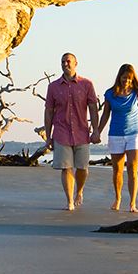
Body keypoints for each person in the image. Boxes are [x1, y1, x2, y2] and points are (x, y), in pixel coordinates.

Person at [97, 62, 138, 213]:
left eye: (129, 78)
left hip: (134, 134)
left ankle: (133, 203)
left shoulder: (136, 94)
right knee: (117, 170)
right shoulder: (110, 93)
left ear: (133, 79)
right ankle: (118, 198)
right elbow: (105, 114)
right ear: (119, 77)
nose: (126, 81)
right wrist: (98, 131)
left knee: (133, 169)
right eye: (124, 77)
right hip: (115, 135)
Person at [38, 52, 98, 211]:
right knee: (66, 167)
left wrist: (96, 130)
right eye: (63, 61)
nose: (65, 64)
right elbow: (49, 111)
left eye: (68, 61)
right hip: (61, 132)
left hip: (82, 132)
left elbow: (93, 109)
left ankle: (79, 191)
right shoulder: (53, 87)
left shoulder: (87, 84)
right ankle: (69, 200)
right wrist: (48, 137)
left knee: (83, 168)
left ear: (76, 63)